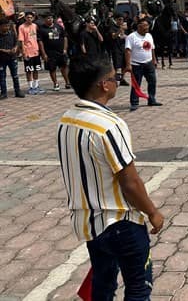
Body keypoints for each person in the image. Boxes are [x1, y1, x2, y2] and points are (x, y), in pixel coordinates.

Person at [57, 55, 164, 299]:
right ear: (104, 85)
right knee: (138, 287)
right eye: (114, 77)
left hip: (88, 222)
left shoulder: (67, 119)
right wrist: (152, 212)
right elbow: (130, 181)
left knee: (103, 284)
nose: (117, 81)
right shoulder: (109, 124)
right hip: (119, 222)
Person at [125, 18, 162, 111]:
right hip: (136, 64)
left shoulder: (149, 35)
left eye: (147, 25)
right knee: (136, 84)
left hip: (148, 63)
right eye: (145, 26)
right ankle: (134, 102)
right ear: (139, 26)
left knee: (152, 81)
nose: (147, 27)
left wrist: (154, 60)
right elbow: (127, 51)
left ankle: (152, 99)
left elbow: (152, 48)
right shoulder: (131, 37)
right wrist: (128, 64)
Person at [37, 13, 70, 91]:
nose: (50, 19)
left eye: (51, 18)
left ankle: (67, 82)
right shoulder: (41, 29)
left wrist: (65, 49)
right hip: (50, 53)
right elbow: (40, 42)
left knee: (64, 67)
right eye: (48, 18)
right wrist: (44, 54)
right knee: (52, 69)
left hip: (61, 51)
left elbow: (65, 37)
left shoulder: (58, 27)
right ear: (44, 19)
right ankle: (55, 83)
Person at [18, 12, 45, 95]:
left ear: (33, 18)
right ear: (25, 18)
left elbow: (38, 38)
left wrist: (40, 51)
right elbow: (21, 41)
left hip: (36, 51)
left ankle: (36, 86)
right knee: (29, 70)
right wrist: (23, 52)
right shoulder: (21, 27)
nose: (29, 19)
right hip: (27, 52)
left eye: (31, 17)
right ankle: (30, 87)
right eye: (28, 17)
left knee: (36, 69)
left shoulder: (35, 26)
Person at [0, 18, 25, 99]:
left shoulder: (12, 33)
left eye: (8, 26)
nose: (7, 27)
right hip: (1, 59)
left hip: (12, 58)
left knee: (15, 76)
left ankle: (17, 91)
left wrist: (15, 48)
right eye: (5, 26)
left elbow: (17, 42)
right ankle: (3, 93)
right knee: (2, 77)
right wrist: (5, 50)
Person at [107, 14, 129, 86]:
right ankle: (114, 80)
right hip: (116, 48)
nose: (121, 21)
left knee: (124, 65)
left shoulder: (125, 28)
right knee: (117, 65)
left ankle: (122, 79)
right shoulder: (113, 27)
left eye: (122, 19)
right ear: (116, 20)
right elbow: (113, 36)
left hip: (124, 47)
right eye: (119, 19)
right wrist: (120, 30)